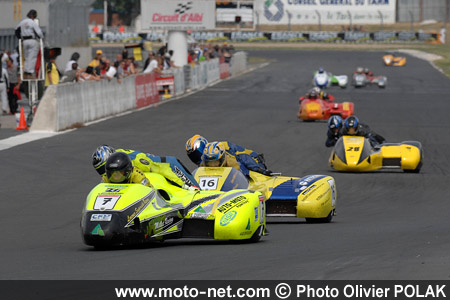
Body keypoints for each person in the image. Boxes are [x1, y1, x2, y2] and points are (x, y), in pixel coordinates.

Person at [92, 145, 199, 190]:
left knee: (193, 189)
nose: (103, 173)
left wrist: (185, 185)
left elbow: (162, 168)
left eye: (103, 169)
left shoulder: (135, 161)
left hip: (166, 164)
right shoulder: (116, 163)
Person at [199, 141, 272, 177]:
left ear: (222, 159)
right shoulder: (203, 165)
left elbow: (236, 181)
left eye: (216, 162)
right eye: (209, 163)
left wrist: (262, 170)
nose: (213, 166)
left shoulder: (232, 163)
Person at [15, 10, 44, 78]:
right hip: (32, 40)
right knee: (32, 56)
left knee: (26, 57)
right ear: (33, 16)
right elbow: (39, 32)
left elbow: (16, 30)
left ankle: (26, 71)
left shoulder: (22, 22)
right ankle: (29, 72)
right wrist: (41, 38)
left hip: (24, 41)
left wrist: (20, 38)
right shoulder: (32, 23)